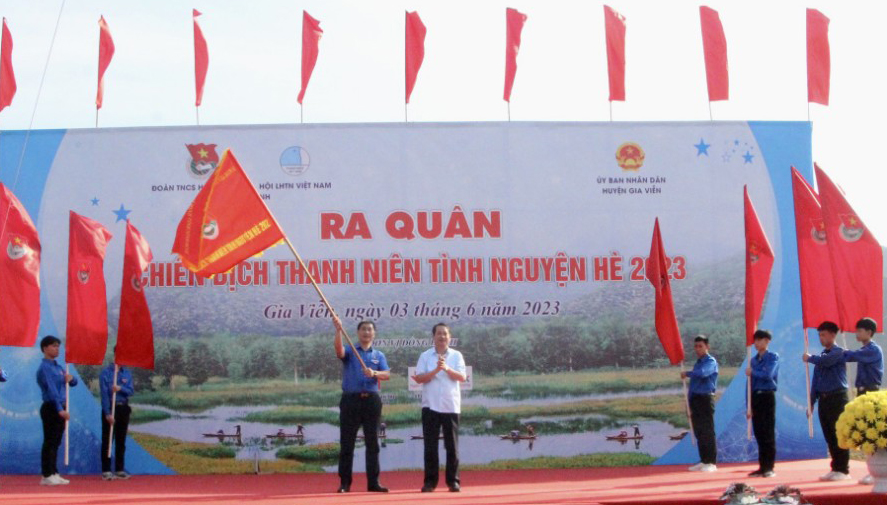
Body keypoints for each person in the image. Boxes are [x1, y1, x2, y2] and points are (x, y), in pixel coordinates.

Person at [333, 317, 390, 494]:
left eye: (369, 329)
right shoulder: (350, 350)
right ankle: (345, 483)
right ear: (358, 333)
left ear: (374, 333)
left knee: (373, 443)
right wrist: (338, 330)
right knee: (347, 443)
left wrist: (374, 373)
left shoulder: (378, 355)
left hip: (371, 401)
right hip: (351, 401)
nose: (366, 332)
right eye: (363, 329)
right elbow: (339, 351)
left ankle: (374, 482)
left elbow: (386, 375)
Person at [412, 323, 467, 493]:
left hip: (451, 406)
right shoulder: (425, 356)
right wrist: (436, 369)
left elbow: (462, 377)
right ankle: (430, 482)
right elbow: (419, 378)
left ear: (449, 337)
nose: (442, 336)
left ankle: (453, 482)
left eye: (445, 334)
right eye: (439, 334)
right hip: (430, 406)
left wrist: (447, 368)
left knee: (452, 446)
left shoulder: (456, 355)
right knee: (430, 446)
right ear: (433, 337)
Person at [803, 320, 850, 482]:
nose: (821, 338)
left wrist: (810, 358)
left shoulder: (839, 352)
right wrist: (811, 402)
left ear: (832, 335)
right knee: (829, 434)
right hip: (824, 399)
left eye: (823, 335)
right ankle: (835, 467)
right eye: (819, 335)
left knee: (839, 434)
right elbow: (815, 381)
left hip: (837, 398)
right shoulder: (822, 355)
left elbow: (826, 361)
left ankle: (843, 469)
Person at [844, 317, 883, 485]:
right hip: (862, 391)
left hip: (870, 392)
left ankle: (877, 469)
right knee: (865, 432)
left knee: (871, 432)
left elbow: (852, 356)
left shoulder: (873, 350)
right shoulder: (865, 349)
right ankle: (872, 470)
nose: (857, 333)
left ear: (869, 332)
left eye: (860, 330)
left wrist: (841, 352)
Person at [36, 335, 77, 486]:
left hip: (61, 406)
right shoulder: (44, 368)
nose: (57, 349)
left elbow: (73, 382)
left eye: (58, 346)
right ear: (45, 348)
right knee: (50, 442)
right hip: (51, 407)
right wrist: (60, 410)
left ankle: (54, 472)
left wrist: (71, 379)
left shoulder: (58, 367)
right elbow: (52, 391)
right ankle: (46, 475)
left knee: (56, 442)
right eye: (53, 346)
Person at [681, 335, 718, 472]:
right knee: (699, 431)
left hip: (705, 399)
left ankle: (712, 463)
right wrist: (688, 402)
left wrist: (688, 373)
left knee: (707, 430)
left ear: (707, 347)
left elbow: (703, 373)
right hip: (695, 399)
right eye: (696, 346)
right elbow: (693, 385)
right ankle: (704, 460)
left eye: (700, 346)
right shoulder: (698, 363)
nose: (697, 349)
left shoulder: (710, 361)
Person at [746, 329, 779, 478]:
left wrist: (752, 372)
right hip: (756, 397)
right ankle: (762, 466)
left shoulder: (772, 357)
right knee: (759, 433)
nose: (757, 343)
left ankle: (769, 467)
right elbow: (749, 384)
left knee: (768, 432)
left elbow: (768, 375)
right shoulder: (753, 360)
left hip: (767, 396)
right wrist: (749, 405)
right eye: (755, 340)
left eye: (760, 340)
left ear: (767, 341)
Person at [100, 360, 134, 480]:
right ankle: (106, 470)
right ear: (115, 355)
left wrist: (120, 388)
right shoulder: (106, 373)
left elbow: (131, 391)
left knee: (121, 440)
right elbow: (104, 394)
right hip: (111, 408)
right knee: (108, 440)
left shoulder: (126, 373)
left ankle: (119, 469)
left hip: (123, 408)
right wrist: (107, 413)